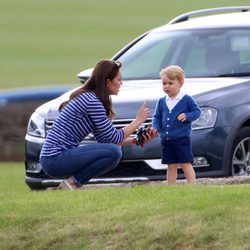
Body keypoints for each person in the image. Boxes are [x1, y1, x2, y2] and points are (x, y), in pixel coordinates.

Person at [40, 59, 157, 190]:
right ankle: (73, 184)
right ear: (108, 82)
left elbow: (105, 139)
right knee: (114, 152)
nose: (121, 83)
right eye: (119, 80)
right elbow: (114, 139)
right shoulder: (92, 101)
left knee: (113, 150)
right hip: (55, 159)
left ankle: (72, 184)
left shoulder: (92, 99)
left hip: (53, 159)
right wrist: (138, 120)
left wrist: (136, 140)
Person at [152, 65, 201, 185]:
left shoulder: (187, 99)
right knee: (171, 164)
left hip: (182, 139)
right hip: (166, 139)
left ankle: (192, 185)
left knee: (185, 163)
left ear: (180, 83)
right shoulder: (162, 101)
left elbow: (197, 112)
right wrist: (155, 128)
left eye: (170, 83)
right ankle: (171, 187)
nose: (166, 86)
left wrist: (187, 116)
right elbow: (157, 116)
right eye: (164, 83)